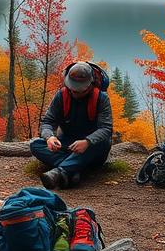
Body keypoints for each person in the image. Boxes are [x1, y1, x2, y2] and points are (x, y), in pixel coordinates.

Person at [30, 61, 113, 189]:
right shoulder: (61, 95)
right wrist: (50, 137)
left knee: (103, 142)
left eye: (80, 90)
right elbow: (48, 122)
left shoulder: (101, 98)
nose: (75, 92)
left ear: (90, 84)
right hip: (68, 143)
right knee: (35, 145)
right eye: (73, 88)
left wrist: (87, 142)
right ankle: (74, 169)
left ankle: (60, 172)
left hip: (92, 147)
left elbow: (106, 129)